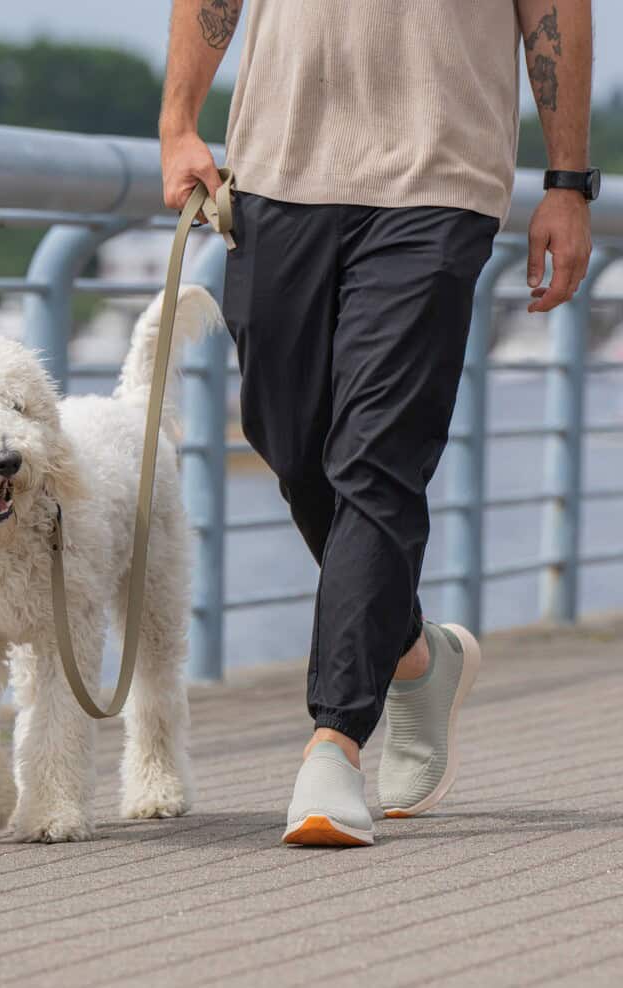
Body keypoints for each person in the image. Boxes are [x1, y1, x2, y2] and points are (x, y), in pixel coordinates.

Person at [159, 0, 596, 845]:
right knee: (292, 449)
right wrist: (179, 123)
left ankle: (334, 743)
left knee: (375, 459)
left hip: (440, 178)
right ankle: (415, 657)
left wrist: (567, 183)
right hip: (278, 169)